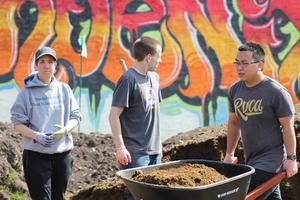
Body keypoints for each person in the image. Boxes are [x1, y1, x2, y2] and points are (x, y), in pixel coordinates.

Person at [223, 42, 298, 200]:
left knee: (242, 195)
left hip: (271, 162)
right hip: (251, 160)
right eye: (237, 62)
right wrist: (229, 153)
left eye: (245, 63)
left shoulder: (276, 92)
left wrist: (291, 158)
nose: (239, 68)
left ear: (260, 64)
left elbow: (287, 126)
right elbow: (234, 123)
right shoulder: (235, 90)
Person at [10, 46, 82, 200]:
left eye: (50, 62)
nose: (46, 65)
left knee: (59, 197)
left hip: (62, 155)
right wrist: (36, 136)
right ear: (36, 65)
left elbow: (76, 116)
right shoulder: (26, 92)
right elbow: (17, 124)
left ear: (55, 65)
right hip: (36, 156)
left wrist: (64, 130)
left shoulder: (65, 90)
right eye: (42, 62)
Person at [109, 36, 162, 199]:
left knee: (154, 196)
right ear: (148, 57)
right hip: (135, 153)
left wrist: (158, 145)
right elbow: (113, 116)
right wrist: (120, 148)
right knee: (137, 197)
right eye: (159, 56)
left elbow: (152, 113)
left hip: (155, 152)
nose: (160, 60)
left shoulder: (155, 78)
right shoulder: (127, 79)